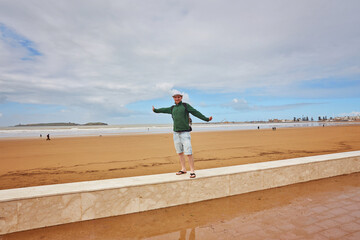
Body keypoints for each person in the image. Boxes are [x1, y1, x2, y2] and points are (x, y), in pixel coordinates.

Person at [152, 90, 212, 178]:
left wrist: (206, 119)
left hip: (185, 133)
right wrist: (155, 110)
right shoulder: (172, 108)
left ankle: (192, 171)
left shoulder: (185, 106)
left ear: (181, 98)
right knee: (180, 152)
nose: (177, 98)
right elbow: (163, 110)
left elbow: (196, 112)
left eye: (179, 97)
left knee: (188, 152)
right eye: (175, 97)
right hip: (176, 133)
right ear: (173, 98)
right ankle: (183, 169)